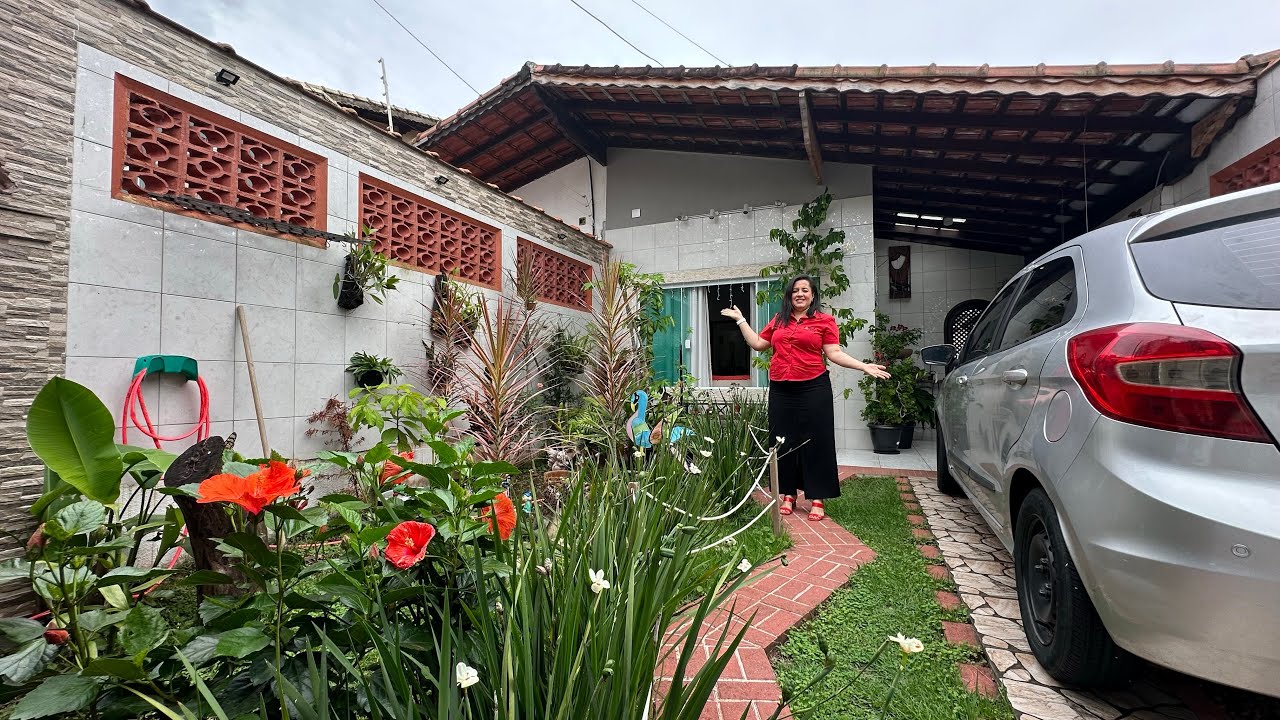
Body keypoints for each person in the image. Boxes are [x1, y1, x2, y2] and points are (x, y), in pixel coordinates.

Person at [720, 276, 890, 521]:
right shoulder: (779, 320)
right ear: (789, 295)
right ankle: (788, 493)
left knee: (816, 441)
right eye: (795, 290)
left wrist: (862, 367)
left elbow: (834, 353)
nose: (799, 294)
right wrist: (741, 320)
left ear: (812, 295)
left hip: (813, 388)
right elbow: (759, 344)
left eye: (805, 290)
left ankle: (817, 496)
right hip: (781, 388)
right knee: (783, 441)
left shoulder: (824, 321)